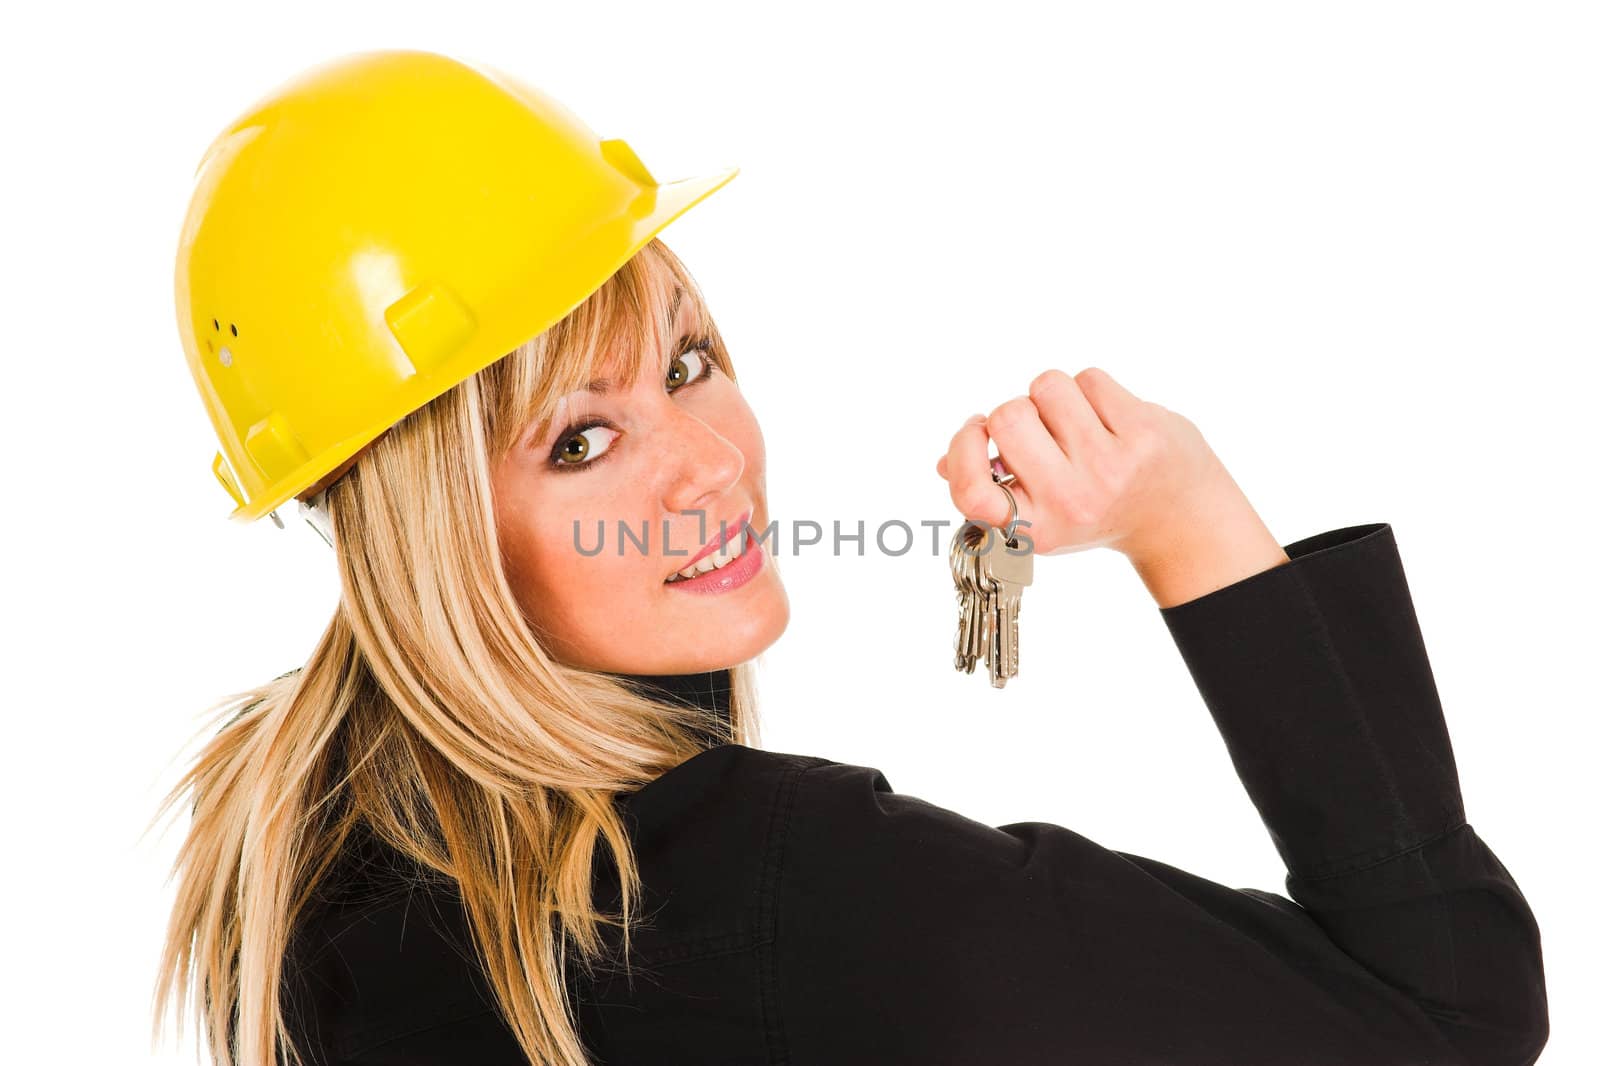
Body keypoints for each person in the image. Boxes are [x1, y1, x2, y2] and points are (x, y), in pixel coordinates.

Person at [150, 50, 1549, 1066]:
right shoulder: (775, 899)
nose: (705, 459)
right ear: (422, 534)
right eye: (579, 440)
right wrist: (1185, 515)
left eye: (689, 362)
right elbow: (1457, 1011)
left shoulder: (299, 854)